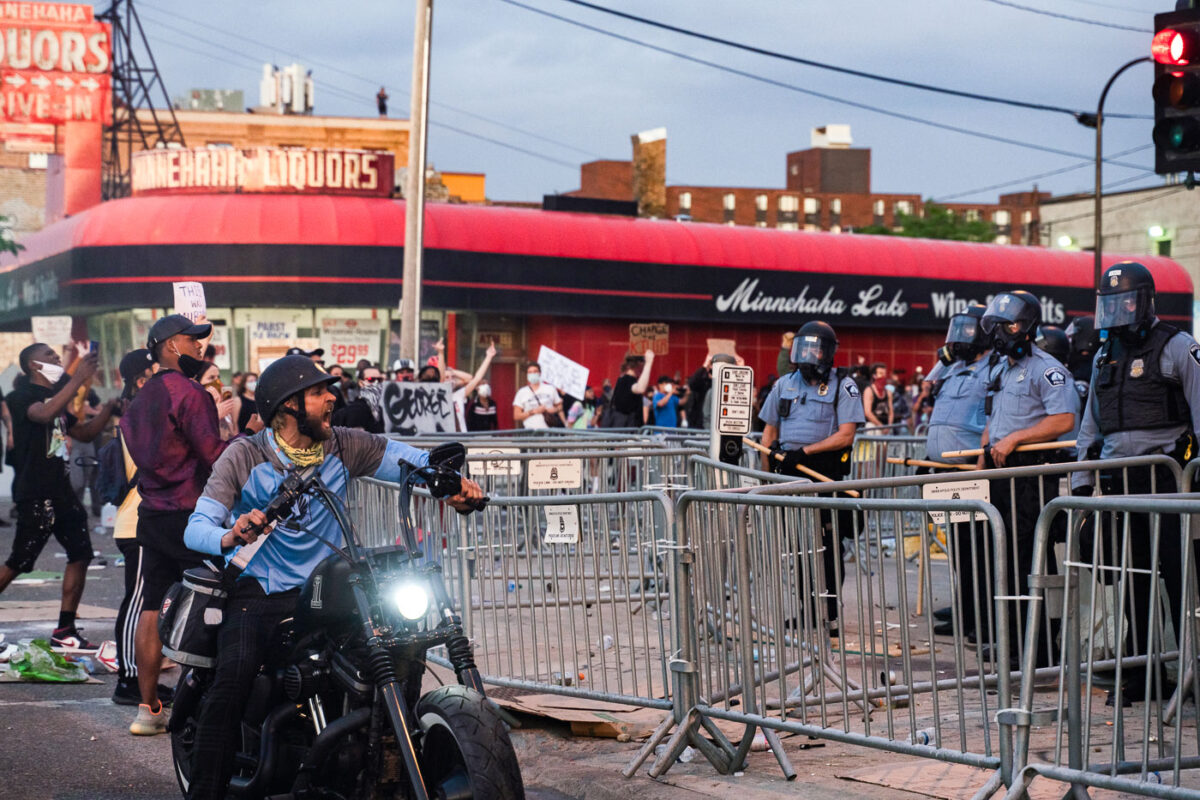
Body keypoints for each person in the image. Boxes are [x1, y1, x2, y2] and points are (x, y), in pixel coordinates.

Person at [182, 355, 484, 800]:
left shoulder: (344, 444)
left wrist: (451, 483)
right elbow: (196, 527)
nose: (332, 399)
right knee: (233, 681)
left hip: (335, 588)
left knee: (399, 648)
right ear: (289, 406)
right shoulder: (244, 455)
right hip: (264, 590)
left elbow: (406, 460)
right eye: (320, 392)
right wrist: (229, 534)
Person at [121, 314, 264, 736]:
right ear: (168, 346)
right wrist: (249, 433)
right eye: (192, 339)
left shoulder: (138, 400)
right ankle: (209, 707)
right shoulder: (189, 393)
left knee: (151, 607)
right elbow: (215, 455)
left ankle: (148, 710)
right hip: (192, 515)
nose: (200, 346)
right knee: (221, 601)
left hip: (151, 514)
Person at [1071, 261, 1200, 700]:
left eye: (1125, 300)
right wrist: (1082, 484)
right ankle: (1143, 674)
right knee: (1135, 580)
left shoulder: (1178, 347)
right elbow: (1090, 428)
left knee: (1182, 581)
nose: (1118, 310)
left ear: (1143, 301)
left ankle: (1192, 674)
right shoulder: (1105, 355)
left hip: (1168, 482)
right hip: (1119, 485)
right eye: (1111, 302)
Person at [977, 290, 1075, 663]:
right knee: (1001, 557)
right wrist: (984, 456)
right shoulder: (1001, 369)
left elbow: (1063, 420)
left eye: (1009, 325)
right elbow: (994, 420)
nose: (1001, 334)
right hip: (1000, 475)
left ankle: (1039, 648)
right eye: (997, 326)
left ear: (1028, 327)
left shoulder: (1046, 369)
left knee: (1028, 559)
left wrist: (1016, 438)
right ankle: (1012, 639)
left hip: (1030, 477)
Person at [0, 343, 117, 649]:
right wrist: (77, 379)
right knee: (20, 561)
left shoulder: (58, 401)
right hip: (37, 493)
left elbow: (84, 433)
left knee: (81, 554)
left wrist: (108, 410)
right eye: (49, 355)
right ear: (33, 366)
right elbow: (43, 414)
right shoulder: (21, 396)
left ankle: (65, 629)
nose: (55, 358)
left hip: (61, 492)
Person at [758, 321, 865, 639]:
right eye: (804, 348)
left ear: (828, 353)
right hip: (789, 472)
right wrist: (766, 476)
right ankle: (808, 610)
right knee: (800, 547)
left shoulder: (844, 386)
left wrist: (805, 452)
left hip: (823, 473)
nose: (810, 355)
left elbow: (846, 435)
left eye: (816, 349)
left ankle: (829, 614)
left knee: (827, 545)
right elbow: (769, 431)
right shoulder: (784, 385)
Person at [919, 304, 991, 639]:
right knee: (960, 545)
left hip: (970, 466)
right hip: (946, 469)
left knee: (980, 547)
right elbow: (928, 384)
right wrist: (944, 358)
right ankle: (966, 608)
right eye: (957, 329)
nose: (960, 336)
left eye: (968, 329)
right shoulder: (954, 367)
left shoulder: (993, 367)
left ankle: (982, 615)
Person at [110, 349, 171, 706]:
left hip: (144, 521)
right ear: (141, 381)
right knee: (137, 604)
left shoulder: (144, 412)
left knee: (148, 601)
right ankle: (129, 680)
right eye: (155, 373)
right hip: (137, 522)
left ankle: (139, 676)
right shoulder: (138, 415)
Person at [603, 351, 654, 428]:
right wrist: (649, 363)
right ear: (639, 364)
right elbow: (640, 388)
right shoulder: (628, 380)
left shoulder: (622, 379)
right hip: (627, 432)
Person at [331, 364, 386, 433]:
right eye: (371, 379)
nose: (376, 383)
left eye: (380, 380)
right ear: (361, 383)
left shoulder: (379, 409)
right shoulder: (356, 410)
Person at [512, 362, 565, 429]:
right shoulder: (521, 392)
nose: (532, 374)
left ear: (539, 373)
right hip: (530, 432)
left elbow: (560, 407)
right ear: (527, 375)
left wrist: (554, 410)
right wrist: (534, 411)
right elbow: (516, 416)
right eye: (530, 372)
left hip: (550, 430)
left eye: (535, 371)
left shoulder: (550, 389)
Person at [198, 361, 238, 440]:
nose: (217, 382)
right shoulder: (195, 406)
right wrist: (215, 415)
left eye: (218, 377)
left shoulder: (221, 402)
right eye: (211, 378)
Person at [862, 363, 894, 430]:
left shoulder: (888, 392)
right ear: (874, 375)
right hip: (873, 426)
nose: (883, 376)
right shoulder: (869, 391)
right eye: (881, 373)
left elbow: (891, 412)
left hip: (886, 426)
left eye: (884, 373)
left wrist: (889, 426)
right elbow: (867, 413)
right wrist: (881, 426)